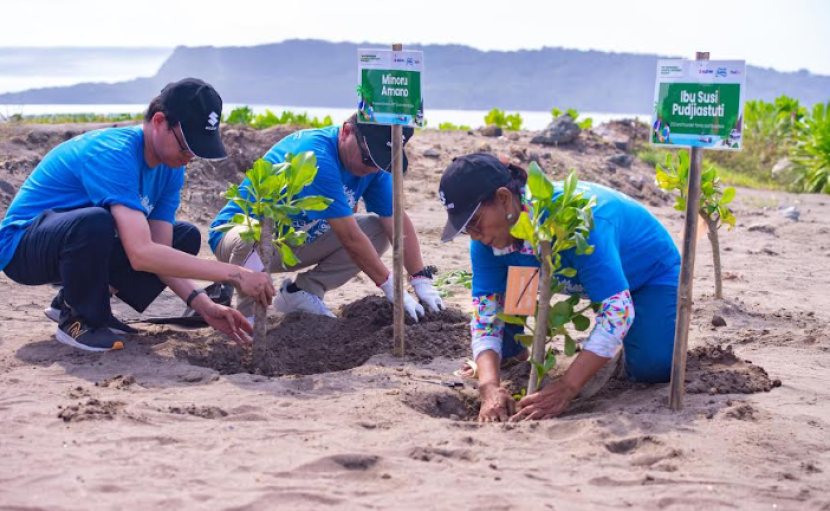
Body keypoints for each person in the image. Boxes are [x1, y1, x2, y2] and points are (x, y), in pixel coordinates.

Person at [0, 78, 274, 352]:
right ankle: (78, 318)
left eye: (198, 148)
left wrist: (204, 306)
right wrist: (236, 274)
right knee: (96, 221)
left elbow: (159, 253)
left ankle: (74, 303)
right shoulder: (114, 154)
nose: (190, 155)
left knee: (184, 238)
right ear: (158, 122)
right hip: (23, 247)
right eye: (186, 144)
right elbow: (141, 254)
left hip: (79, 248)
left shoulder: (171, 168)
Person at [438, 154, 681, 422]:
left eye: (474, 222)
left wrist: (567, 388)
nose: (474, 236)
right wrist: (489, 387)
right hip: (556, 271)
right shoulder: (488, 239)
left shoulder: (582, 223)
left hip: (648, 274)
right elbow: (485, 315)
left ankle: (634, 339)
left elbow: (617, 312)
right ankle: (518, 349)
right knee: (503, 349)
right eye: (464, 229)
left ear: (504, 198)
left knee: (653, 367)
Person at [210, 113, 443, 321]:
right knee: (254, 236)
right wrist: (391, 287)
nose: (373, 167)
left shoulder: (376, 168)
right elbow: (351, 239)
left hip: (297, 240)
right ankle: (248, 315)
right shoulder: (317, 155)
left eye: (381, 161)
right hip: (240, 240)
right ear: (346, 132)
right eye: (368, 158)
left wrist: (419, 279)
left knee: (376, 230)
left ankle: (301, 293)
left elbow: (395, 221)